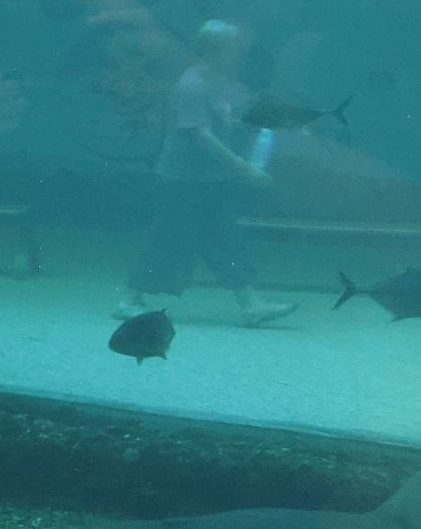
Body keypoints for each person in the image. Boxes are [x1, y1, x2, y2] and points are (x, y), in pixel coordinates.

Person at [119, 19, 295, 326]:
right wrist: (243, 167)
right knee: (168, 239)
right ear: (215, 49)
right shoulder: (193, 84)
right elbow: (201, 136)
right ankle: (129, 300)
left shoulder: (222, 82)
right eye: (234, 48)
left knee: (223, 238)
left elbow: (236, 119)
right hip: (181, 181)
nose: (240, 54)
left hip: (210, 180)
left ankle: (250, 303)